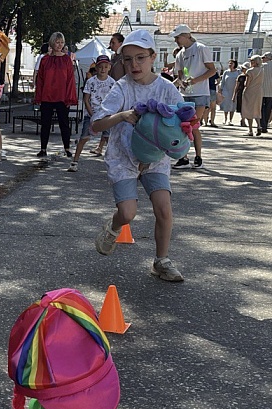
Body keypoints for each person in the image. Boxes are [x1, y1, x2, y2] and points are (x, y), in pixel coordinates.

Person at [90, 29, 185, 282]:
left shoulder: (166, 88)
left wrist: (188, 133)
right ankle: (113, 226)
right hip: (124, 158)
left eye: (141, 58)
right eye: (128, 59)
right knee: (128, 213)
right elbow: (96, 125)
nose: (134, 64)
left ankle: (161, 261)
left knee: (164, 209)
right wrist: (121, 115)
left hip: (155, 159)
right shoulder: (121, 88)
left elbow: (183, 121)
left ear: (153, 57)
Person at [170, 24, 216, 169]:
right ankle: (183, 158)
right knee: (182, 127)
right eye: (176, 37)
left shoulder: (201, 48)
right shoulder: (180, 54)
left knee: (193, 126)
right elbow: (180, 75)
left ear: (187, 36)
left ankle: (198, 157)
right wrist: (177, 83)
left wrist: (195, 80)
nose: (176, 40)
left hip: (200, 93)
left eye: (178, 37)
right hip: (185, 94)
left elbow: (212, 70)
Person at [34, 32, 78, 160]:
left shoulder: (66, 60)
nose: (59, 45)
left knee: (64, 123)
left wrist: (70, 97)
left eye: (61, 42)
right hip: (47, 96)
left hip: (62, 96)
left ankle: (67, 148)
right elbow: (40, 79)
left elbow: (70, 79)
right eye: (57, 42)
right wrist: (39, 96)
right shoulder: (45, 60)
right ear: (52, 43)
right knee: (45, 123)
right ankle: (43, 149)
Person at [68, 54, 115, 172]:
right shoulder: (91, 81)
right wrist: (91, 113)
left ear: (109, 67)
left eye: (105, 67)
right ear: (96, 68)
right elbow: (86, 99)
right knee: (84, 138)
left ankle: (115, 164)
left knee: (109, 139)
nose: (103, 69)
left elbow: (114, 100)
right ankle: (75, 161)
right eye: (100, 67)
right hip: (91, 114)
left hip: (106, 115)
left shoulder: (113, 83)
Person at [258, 52, 272, 134]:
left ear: (266, 58)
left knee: (261, 108)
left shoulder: (262, 66)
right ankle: (265, 124)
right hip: (271, 91)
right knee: (268, 108)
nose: (262, 59)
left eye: (263, 58)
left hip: (262, 90)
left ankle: (262, 124)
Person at [241, 56, 264, 136]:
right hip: (259, 91)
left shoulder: (249, 71)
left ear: (255, 62)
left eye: (252, 61)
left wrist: (244, 84)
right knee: (257, 109)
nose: (250, 62)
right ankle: (259, 126)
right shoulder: (262, 70)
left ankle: (250, 130)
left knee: (248, 110)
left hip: (250, 91)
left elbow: (247, 84)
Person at [219, 60, 240, 125]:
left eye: (231, 63)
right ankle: (225, 118)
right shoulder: (226, 72)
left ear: (235, 64)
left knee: (232, 105)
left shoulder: (238, 72)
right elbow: (223, 82)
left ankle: (230, 120)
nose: (230, 64)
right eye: (229, 63)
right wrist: (221, 90)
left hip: (234, 91)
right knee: (226, 105)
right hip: (226, 90)